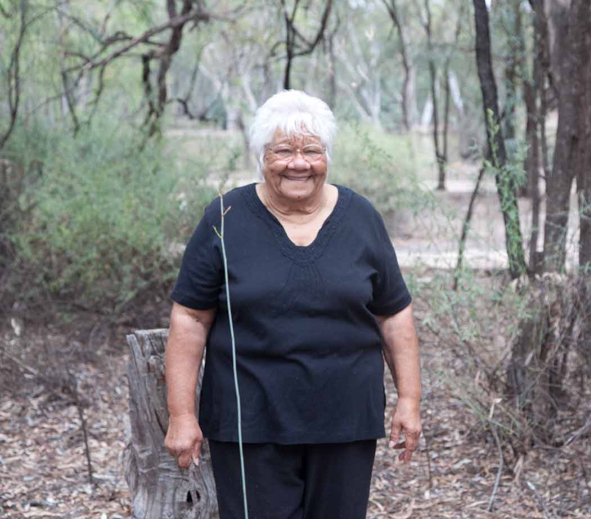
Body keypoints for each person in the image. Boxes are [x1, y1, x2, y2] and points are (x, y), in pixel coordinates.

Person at [163, 90, 422, 519]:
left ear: (327, 157)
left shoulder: (362, 219)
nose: (298, 163)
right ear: (261, 156)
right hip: (249, 421)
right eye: (283, 150)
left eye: (311, 151)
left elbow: (394, 314)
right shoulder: (225, 218)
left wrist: (409, 401)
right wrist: (181, 414)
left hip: (345, 421)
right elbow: (189, 318)